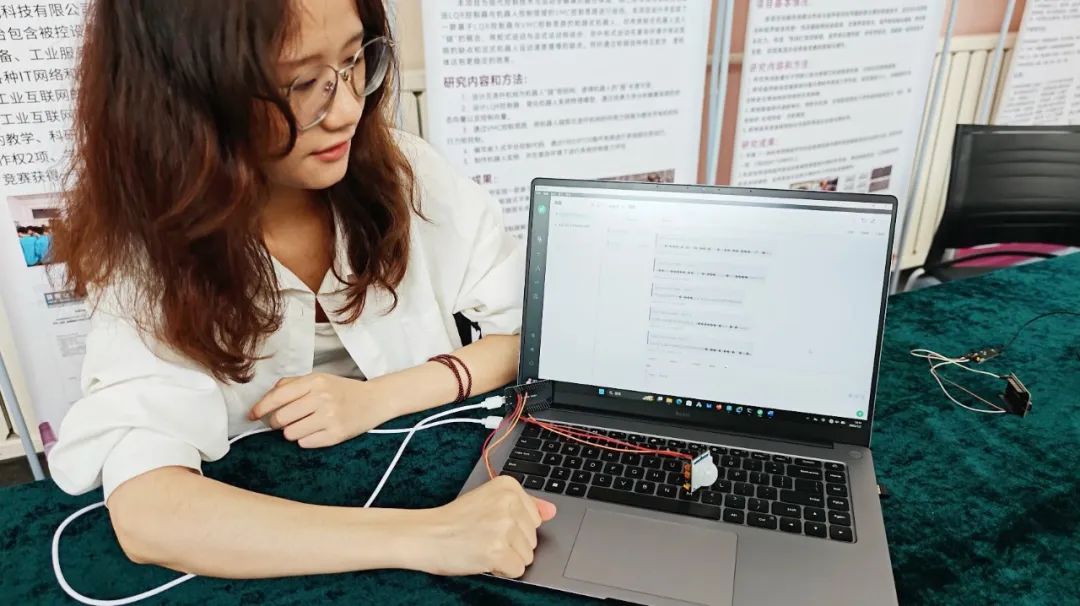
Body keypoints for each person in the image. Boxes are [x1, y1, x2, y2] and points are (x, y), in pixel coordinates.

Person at [47, 0, 554, 581]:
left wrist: (378, 398)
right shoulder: (148, 252)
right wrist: (430, 536)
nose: (347, 110)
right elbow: (150, 513)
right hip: (273, 543)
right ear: (188, 97)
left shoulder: (408, 175)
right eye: (302, 84)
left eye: (355, 60)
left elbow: (533, 337)